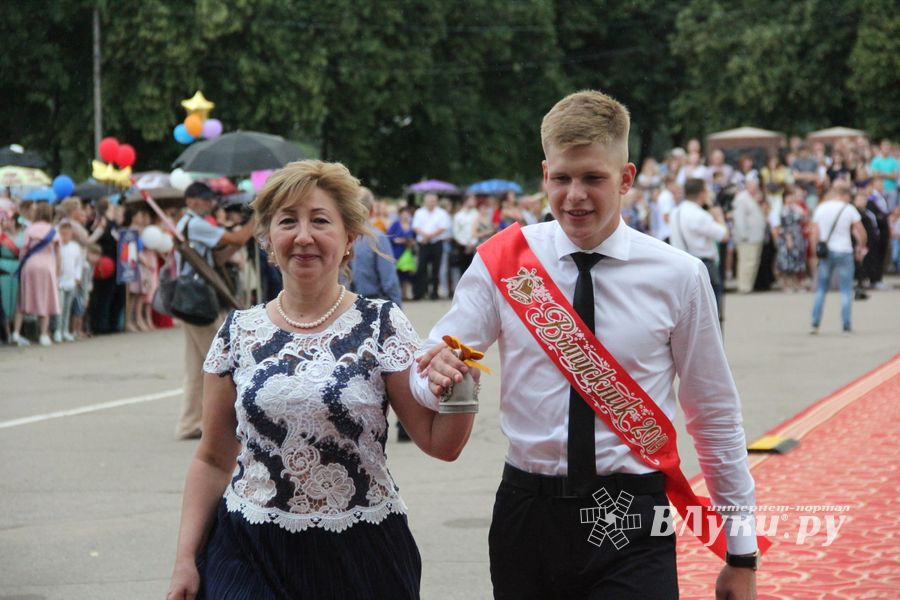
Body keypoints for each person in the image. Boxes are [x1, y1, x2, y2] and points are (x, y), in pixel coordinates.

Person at [411, 91, 760, 599]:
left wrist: (740, 551)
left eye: (593, 178)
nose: (575, 195)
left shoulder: (679, 276)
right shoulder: (501, 262)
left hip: (634, 511)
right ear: (544, 174)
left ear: (626, 178)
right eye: (562, 178)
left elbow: (716, 416)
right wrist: (436, 374)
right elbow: (428, 372)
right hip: (528, 512)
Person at [166, 160, 474, 600]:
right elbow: (212, 459)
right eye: (287, 221)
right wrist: (184, 560)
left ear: (349, 238)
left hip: (362, 551)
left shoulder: (381, 324)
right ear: (269, 239)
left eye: (320, 220)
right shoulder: (238, 332)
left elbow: (439, 444)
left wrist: (461, 387)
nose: (304, 236)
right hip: (249, 549)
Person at [173, 181, 256, 440]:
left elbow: (218, 257)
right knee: (222, 362)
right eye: (206, 200)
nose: (211, 204)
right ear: (192, 201)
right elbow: (238, 238)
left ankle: (190, 422)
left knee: (197, 365)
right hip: (198, 300)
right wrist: (259, 217)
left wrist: (240, 235)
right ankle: (216, 421)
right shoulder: (195, 224)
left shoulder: (188, 225)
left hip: (190, 299)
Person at [670, 178, 730, 322]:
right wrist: (719, 216)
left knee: (687, 316)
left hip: (680, 265)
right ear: (702, 194)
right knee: (712, 315)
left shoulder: (675, 212)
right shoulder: (700, 215)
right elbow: (724, 235)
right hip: (704, 265)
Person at [810, 180, 866, 334]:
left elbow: (814, 232)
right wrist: (861, 247)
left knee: (821, 288)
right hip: (844, 250)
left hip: (827, 251)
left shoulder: (821, 208)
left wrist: (816, 249)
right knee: (846, 289)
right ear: (845, 195)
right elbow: (860, 230)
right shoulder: (848, 209)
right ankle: (846, 323)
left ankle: (815, 322)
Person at [11, 202, 60, 347]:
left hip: (30, 265)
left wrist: (22, 266)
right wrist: (58, 271)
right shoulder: (53, 231)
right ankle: (43, 335)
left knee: (23, 299)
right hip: (47, 266)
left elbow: (23, 250)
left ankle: (16, 333)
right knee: (44, 298)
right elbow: (58, 254)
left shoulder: (30, 229)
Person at [349, 187, 403, 306]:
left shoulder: (339, 237)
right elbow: (389, 281)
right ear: (372, 209)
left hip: (344, 305)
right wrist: (398, 310)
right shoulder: (377, 238)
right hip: (373, 304)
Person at [412, 193, 451, 300]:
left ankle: (434, 293)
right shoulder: (419, 212)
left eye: (433, 200)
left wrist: (430, 236)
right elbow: (416, 227)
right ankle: (420, 292)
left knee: (436, 269)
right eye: (429, 200)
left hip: (436, 243)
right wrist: (426, 236)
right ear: (425, 201)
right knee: (421, 268)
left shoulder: (442, 213)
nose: (431, 203)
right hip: (423, 243)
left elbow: (443, 228)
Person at [731, 179, 768, 293]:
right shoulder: (742, 198)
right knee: (746, 262)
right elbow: (739, 218)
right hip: (747, 238)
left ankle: (748, 285)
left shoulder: (751, 198)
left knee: (752, 262)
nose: (755, 189)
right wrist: (744, 234)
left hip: (755, 237)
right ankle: (744, 286)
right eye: (753, 186)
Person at [773, 185, 808, 293]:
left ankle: (795, 283)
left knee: (797, 260)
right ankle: (786, 284)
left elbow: (806, 218)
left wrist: (799, 209)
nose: (791, 199)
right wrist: (788, 238)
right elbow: (784, 226)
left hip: (797, 236)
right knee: (787, 261)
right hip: (787, 236)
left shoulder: (795, 208)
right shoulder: (783, 210)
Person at [55, 222, 82, 342]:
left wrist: (77, 277)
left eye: (67, 234)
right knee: (59, 307)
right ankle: (57, 330)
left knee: (67, 307)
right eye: (63, 234)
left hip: (71, 282)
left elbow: (78, 264)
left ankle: (65, 330)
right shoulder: (57, 246)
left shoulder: (75, 247)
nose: (65, 236)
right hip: (59, 282)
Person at [387, 204, 417, 300]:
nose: (405, 215)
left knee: (407, 275)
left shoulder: (412, 225)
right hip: (397, 252)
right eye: (403, 213)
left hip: (408, 253)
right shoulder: (396, 224)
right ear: (400, 214)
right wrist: (397, 240)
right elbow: (389, 236)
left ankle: (406, 294)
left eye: (407, 213)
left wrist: (411, 241)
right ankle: (398, 294)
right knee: (397, 275)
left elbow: (415, 238)